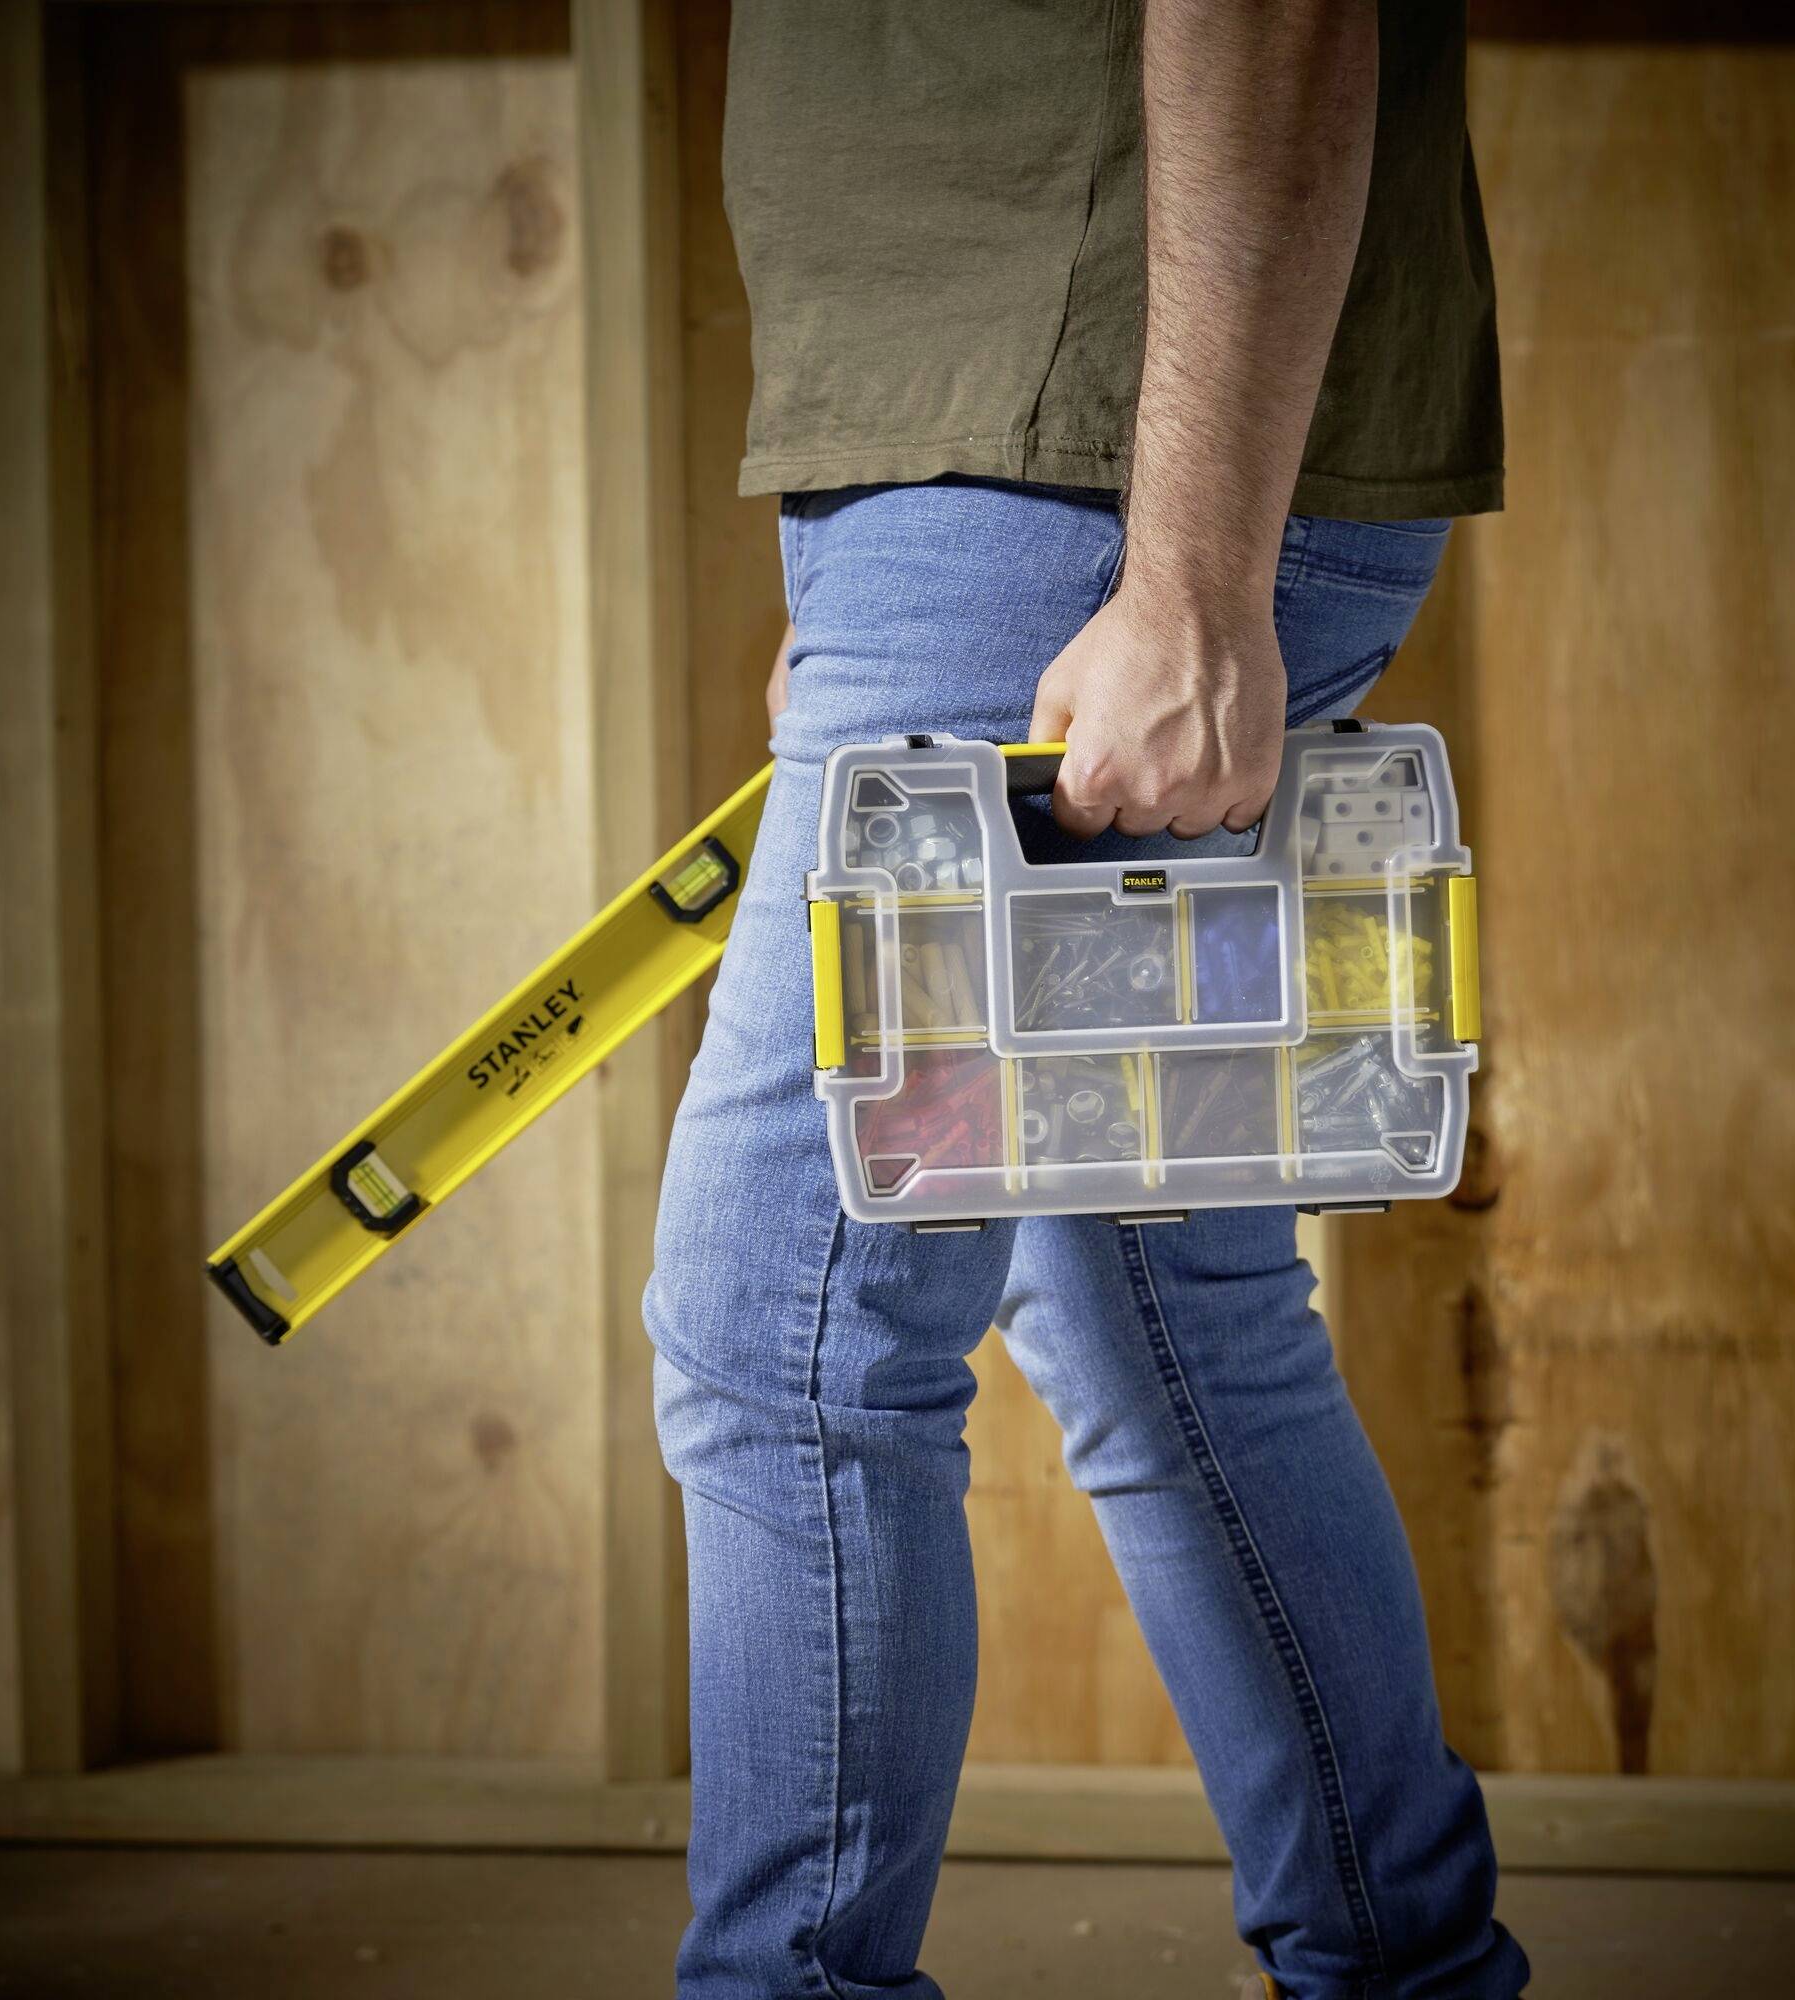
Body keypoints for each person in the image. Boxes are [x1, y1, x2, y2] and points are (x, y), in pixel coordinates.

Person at [642, 2, 1529, 1993]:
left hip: (1081, 472)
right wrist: (870, 593)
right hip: (996, 483)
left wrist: (1193, 568)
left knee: (787, 1334)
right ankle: (1408, 1968)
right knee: (1154, 1306)